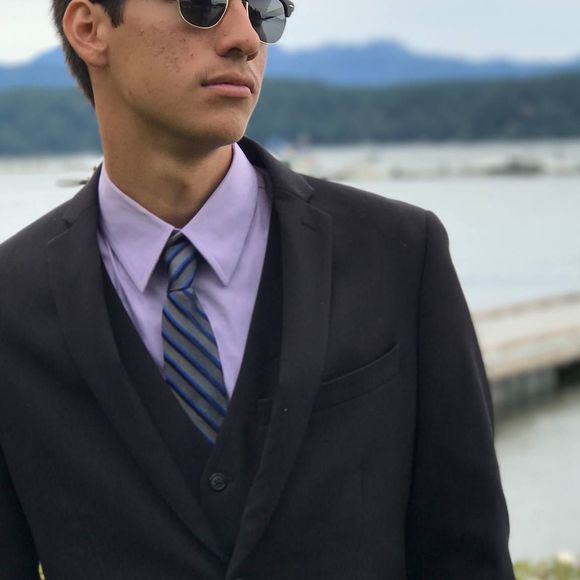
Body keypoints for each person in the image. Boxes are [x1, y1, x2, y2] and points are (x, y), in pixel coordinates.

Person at [0, 1, 515, 578]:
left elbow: (468, 554)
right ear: (90, 28)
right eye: (202, 5)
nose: (246, 38)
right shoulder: (10, 306)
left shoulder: (399, 255)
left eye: (265, 9)